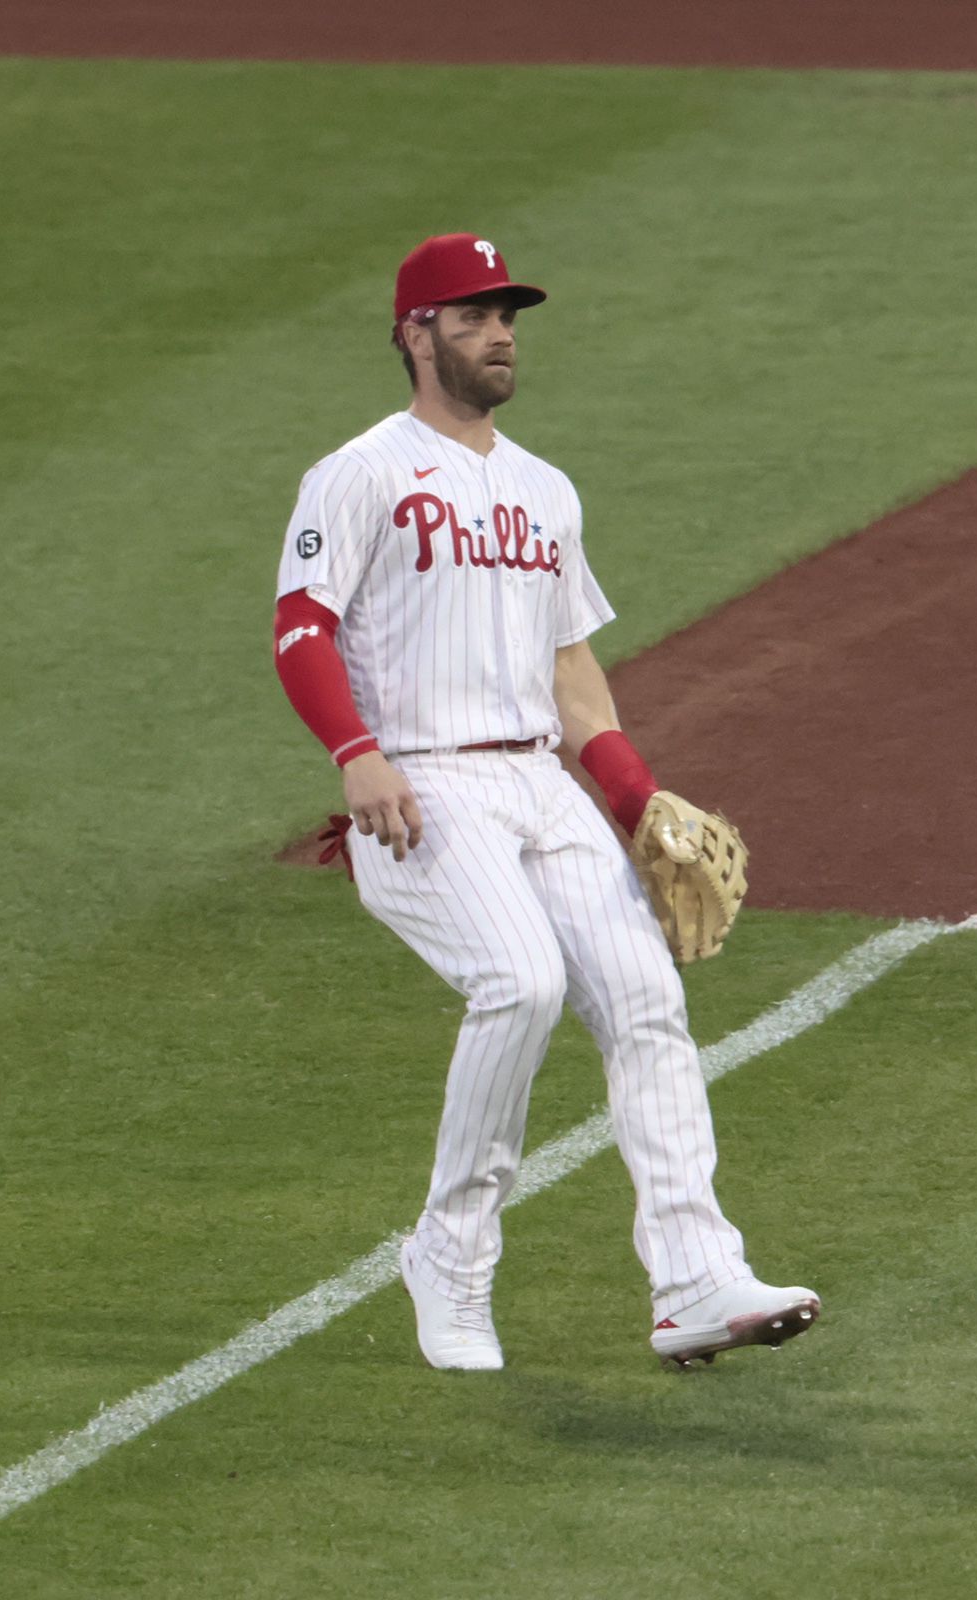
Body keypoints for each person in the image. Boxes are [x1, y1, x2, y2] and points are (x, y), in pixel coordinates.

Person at [270, 232, 818, 1372]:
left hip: (536, 780)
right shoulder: (359, 471)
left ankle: (695, 1278)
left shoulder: (543, 489)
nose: (501, 332)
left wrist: (629, 794)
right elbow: (302, 628)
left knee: (645, 996)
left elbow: (570, 668)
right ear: (415, 333)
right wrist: (354, 753)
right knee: (518, 983)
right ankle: (451, 1258)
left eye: (508, 313)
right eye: (472, 315)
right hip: (422, 785)